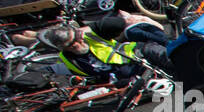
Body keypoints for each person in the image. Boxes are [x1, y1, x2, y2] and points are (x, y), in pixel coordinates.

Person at [39, 13, 173, 84]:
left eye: (76, 38)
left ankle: (175, 49)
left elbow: (135, 20)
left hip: (138, 54)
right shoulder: (65, 60)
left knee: (141, 37)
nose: (77, 43)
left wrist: (160, 32)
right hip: (127, 79)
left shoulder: (93, 31)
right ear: (63, 48)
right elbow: (47, 73)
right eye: (71, 44)